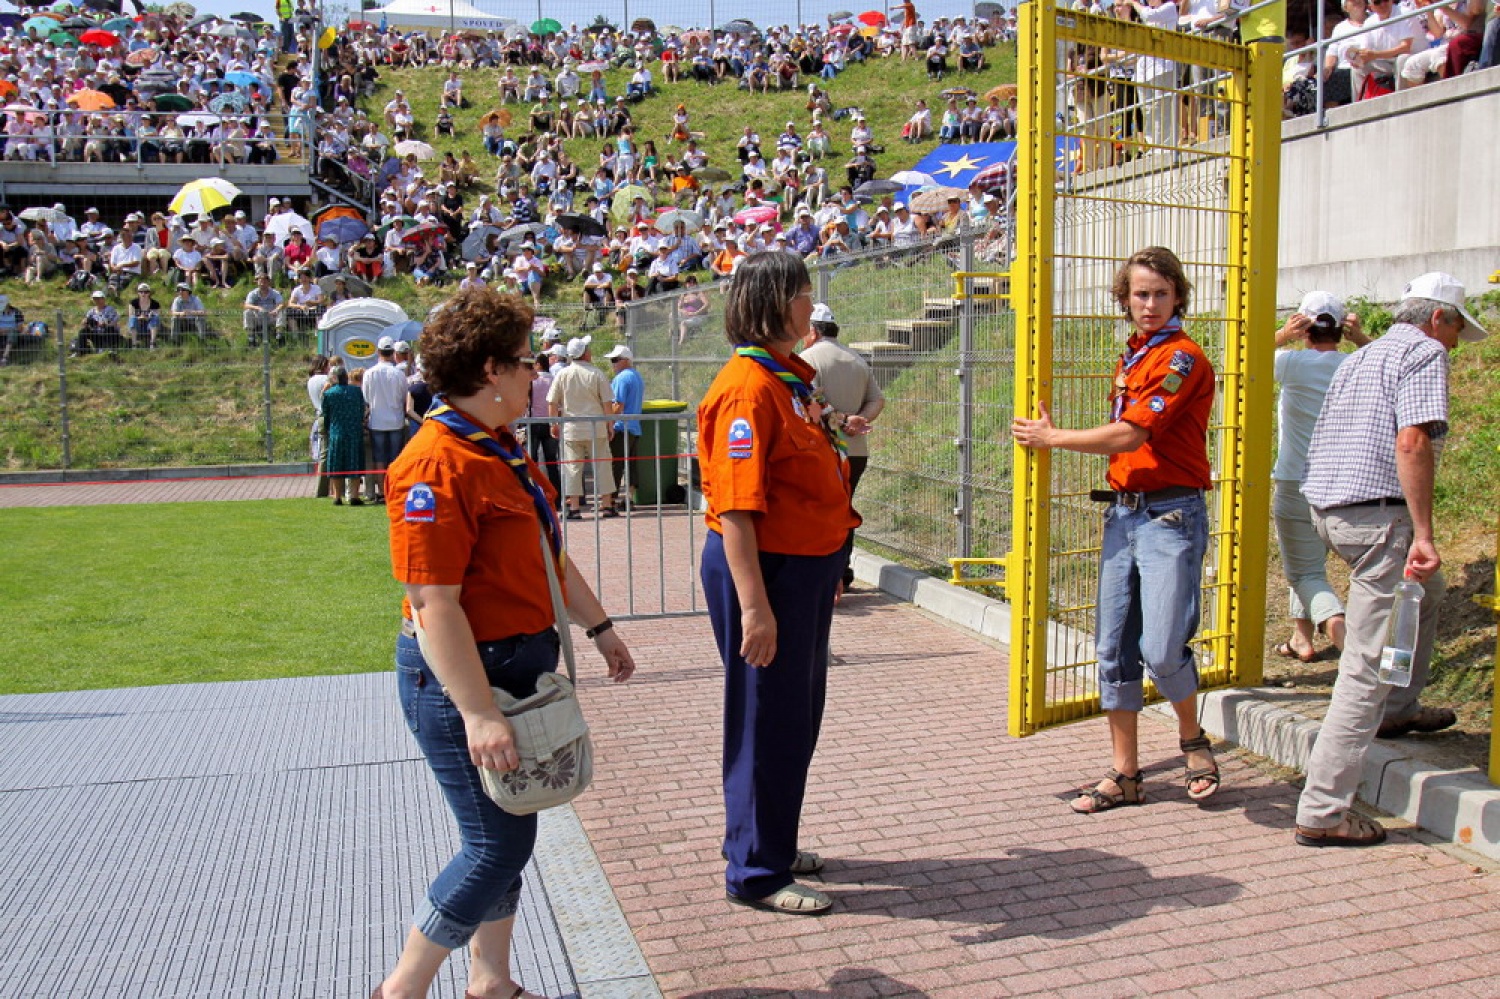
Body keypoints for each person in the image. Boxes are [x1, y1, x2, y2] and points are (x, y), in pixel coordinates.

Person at [374, 284, 635, 999]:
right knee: (497, 844)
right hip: (468, 676)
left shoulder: (495, 447)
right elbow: (434, 604)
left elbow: (548, 557)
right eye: (527, 362)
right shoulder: (435, 463)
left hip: (517, 664)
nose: (536, 375)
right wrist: (479, 711)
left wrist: (601, 625)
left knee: (507, 827)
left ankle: (490, 979)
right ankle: (402, 987)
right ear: (491, 370)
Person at [1011, 246, 1220, 813]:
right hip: (1124, 515)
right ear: (1124, 301)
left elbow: (1130, 435)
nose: (1149, 304)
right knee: (1112, 649)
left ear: (1178, 296)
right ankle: (1125, 775)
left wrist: (1052, 439)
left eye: (1159, 293)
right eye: (1139, 294)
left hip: (1170, 515)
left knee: (1161, 647)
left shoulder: (1181, 359)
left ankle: (1191, 739)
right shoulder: (1135, 356)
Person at [1293, 273, 1487, 848]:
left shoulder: (1364, 354)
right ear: (1438, 320)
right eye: (1456, 330)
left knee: (1430, 594)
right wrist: (1423, 533)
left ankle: (1398, 708)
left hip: (1329, 510)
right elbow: (1412, 442)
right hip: (1379, 516)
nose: (1454, 344)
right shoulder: (1426, 352)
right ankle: (1323, 809)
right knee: (1365, 663)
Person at [697, 252, 859, 916]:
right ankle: (757, 870)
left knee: (794, 715)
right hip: (766, 571)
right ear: (772, 302)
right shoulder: (747, 388)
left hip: (801, 569)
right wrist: (756, 607)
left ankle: (772, 840)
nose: (811, 308)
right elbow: (737, 508)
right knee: (767, 716)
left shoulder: (786, 378)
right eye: (802, 295)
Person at [1270, 291, 1370, 662]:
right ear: (1342, 329)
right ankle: (1301, 638)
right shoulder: (1357, 363)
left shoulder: (1291, 363)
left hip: (1296, 481)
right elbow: (1394, 363)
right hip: (1343, 483)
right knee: (1309, 564)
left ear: (1304, 326)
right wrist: (1361, 338)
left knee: (1306, 572)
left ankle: (1352, 650)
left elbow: (1239, 359)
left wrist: (1281, 335)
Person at [799, 303, 885, 588]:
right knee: (844, 509)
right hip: (857, 450)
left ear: (812, 330)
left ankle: (825, 572)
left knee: (819, 513)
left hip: (823, 450)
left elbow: (811, 401)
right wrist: (859, 420)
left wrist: (840, 419)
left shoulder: (807, 359)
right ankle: (842, 570)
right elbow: (877, 400)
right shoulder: (856, 359)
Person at [547, 335, 618, 520]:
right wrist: (610, 424)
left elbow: (552, 402)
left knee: (572, 467)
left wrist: (553, 423)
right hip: (596, 428)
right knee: (602, 466)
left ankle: (574, 507)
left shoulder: (563, 374)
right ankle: (607, 505)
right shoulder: (596, 374)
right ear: (585, 353)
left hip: (571, 428)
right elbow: (607, 403)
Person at [364, 336, 411, 504]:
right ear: (392, 353)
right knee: (395, 459)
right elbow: (403, 396)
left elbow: (367, 397)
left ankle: (382, 492)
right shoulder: (398, 374)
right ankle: (395, 490)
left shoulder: (369, 373)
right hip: (395, 420)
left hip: (377, 421)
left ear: (378, 352)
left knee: (379, 459)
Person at [321, 364, 367, 506]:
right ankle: (354, 495)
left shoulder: (329, 394)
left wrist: (329, 427)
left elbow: (326, 414)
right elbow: (361, 409)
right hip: (354, 431)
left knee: (336, 464)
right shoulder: (356, 391)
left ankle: (337, 496)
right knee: (354, 462)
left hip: (336, 432)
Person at [606, 345, 643, 508]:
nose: (612, 364)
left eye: (615, 360)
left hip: (621, 428)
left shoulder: (621, 378)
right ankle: (629, 497)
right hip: (634, 427)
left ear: (626, 361)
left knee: (616, 463)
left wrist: (609, 424)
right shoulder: (637, 376)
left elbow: (617, 405)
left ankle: (611, 500)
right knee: (631, 464)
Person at [243, 273, 284, 347]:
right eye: (260, 282)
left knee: (281, 312)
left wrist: (276, 310)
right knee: (247, 312)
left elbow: (281, 304)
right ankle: (251, 338)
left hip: (271, 316)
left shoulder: (274, 293)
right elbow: (246, 305)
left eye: (264, 282)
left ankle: (279, 337)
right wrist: (258, 308)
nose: (262, 284)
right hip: (258, 317)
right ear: (257, 282)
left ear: (268, 283)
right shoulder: (253, 293)